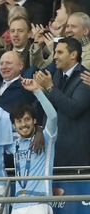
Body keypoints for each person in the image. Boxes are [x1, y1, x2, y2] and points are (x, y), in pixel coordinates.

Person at [34, 37, 90, 167]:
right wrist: (37, 91)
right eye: (55, 52)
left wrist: (50, 88)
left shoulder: (85, 78)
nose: (54, 57)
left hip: (75, 155)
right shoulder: (56, 75)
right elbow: (48, 109)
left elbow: (73, 109)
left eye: (59, 52)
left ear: (73, 55)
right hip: (54, 150)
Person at [8, 77, 57, 214]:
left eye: (27, 119)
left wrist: (37, 90)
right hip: (16, 205)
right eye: (19, 121)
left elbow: (53, 117)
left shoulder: (46, 139)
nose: (23, 124)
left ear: (35, 121)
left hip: (40, 203)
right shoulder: (13, 143)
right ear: (14, 125)